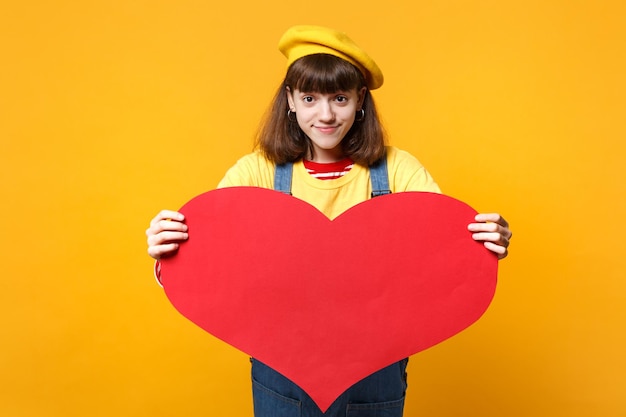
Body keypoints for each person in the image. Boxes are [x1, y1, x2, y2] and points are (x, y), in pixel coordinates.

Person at [146, 25, 512, 417]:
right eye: (309, 98)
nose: (325, 115)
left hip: (376, 371)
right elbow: (214, 268)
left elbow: (443, 256)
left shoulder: (399, 170)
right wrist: (171, 251)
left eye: (339, 98)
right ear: (290, 100)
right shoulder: (256, 173)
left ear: (360, 102)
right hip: (281, 369)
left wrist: (484, 246)